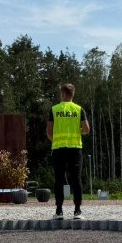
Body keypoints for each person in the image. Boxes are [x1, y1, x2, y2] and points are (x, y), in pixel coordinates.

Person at [46, 83, 91, 220]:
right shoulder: (79, 109)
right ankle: (77, 210)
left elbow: (49, 131)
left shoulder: (54, 110)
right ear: (73, 94)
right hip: (75, 149)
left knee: (59, 179)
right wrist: (78, 132)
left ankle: (59, 211)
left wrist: (56, 140)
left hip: (59, 149)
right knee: (76, 179)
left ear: (63, 94)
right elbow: (86, 129)